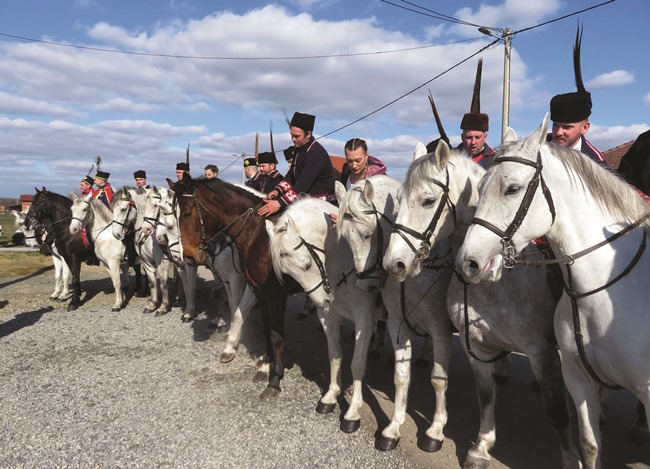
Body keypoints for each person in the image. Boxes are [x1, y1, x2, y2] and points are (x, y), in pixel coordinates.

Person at [548, 26, 608, 168]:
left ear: (585, 128)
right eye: (555, 125)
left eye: (567, 127)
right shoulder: (535, 149)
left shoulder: (596, 164)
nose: (558, 133)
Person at [258, 112, 336, 217]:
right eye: (291, 135)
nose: (293, 139)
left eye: (297, 136)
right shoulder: (299, 150)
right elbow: (291, 176)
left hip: (322, 207)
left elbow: (302, 185)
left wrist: (279, 203)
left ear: (308, 134)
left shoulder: (316, 154)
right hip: (305, 203)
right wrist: (277, 191)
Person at [456, 58, 496, 169]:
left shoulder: (495, 160)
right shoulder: (451, 157)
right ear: (462, 137)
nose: (473, 142)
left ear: (485, 137)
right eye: (469, 137)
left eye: (477, 137)